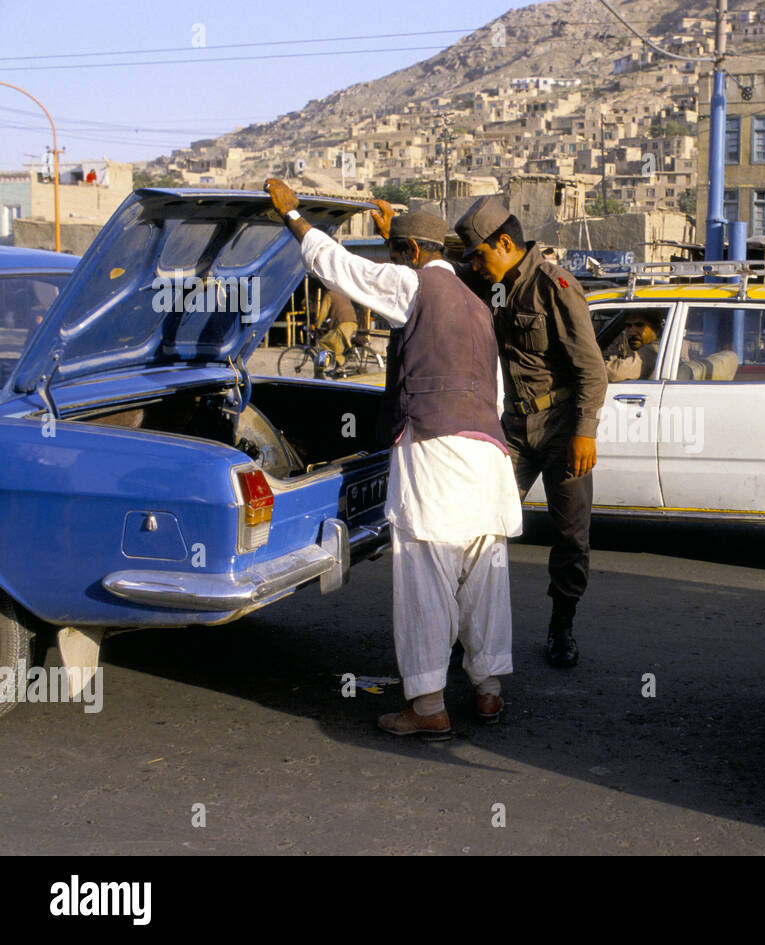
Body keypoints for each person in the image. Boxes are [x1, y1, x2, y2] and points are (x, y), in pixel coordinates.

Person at [264, 179, 522, 738]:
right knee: (484, 575)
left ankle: (427, 707)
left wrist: (294, 217)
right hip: (488, 456)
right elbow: (495, 395)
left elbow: (340, 268)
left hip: (437, 453)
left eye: (395, 251)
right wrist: (397, 233)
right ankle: (488, 693)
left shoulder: (413, 285)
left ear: (406, 255)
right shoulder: (477, 306)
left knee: (426, 572)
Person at [455, 196, 607, 668]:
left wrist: (585, 432)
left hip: (563, 429)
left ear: (505, 242)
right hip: (513, 428)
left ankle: (562, 627)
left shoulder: (555, 286)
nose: (476, 266)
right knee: (482, 526)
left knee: (570, 537)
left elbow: (592, 370)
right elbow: (436, 276)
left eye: (480, 254)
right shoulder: (493, 284)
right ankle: (469, 630)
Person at [604, 311, 661, 382]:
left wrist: (590, 367)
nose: (632, 332)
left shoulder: (655, 350)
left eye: (639, 325)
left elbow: (615, 373)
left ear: (655, 329)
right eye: (628, 326)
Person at [316, 288, 359, 365]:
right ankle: (338, 368)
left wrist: (317, 325)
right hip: (353, 323)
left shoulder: (329, 295)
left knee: (324, 342)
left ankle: (341, 362)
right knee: (339, 345)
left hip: (343, 325)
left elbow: (323, 312)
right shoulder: (342, 293)